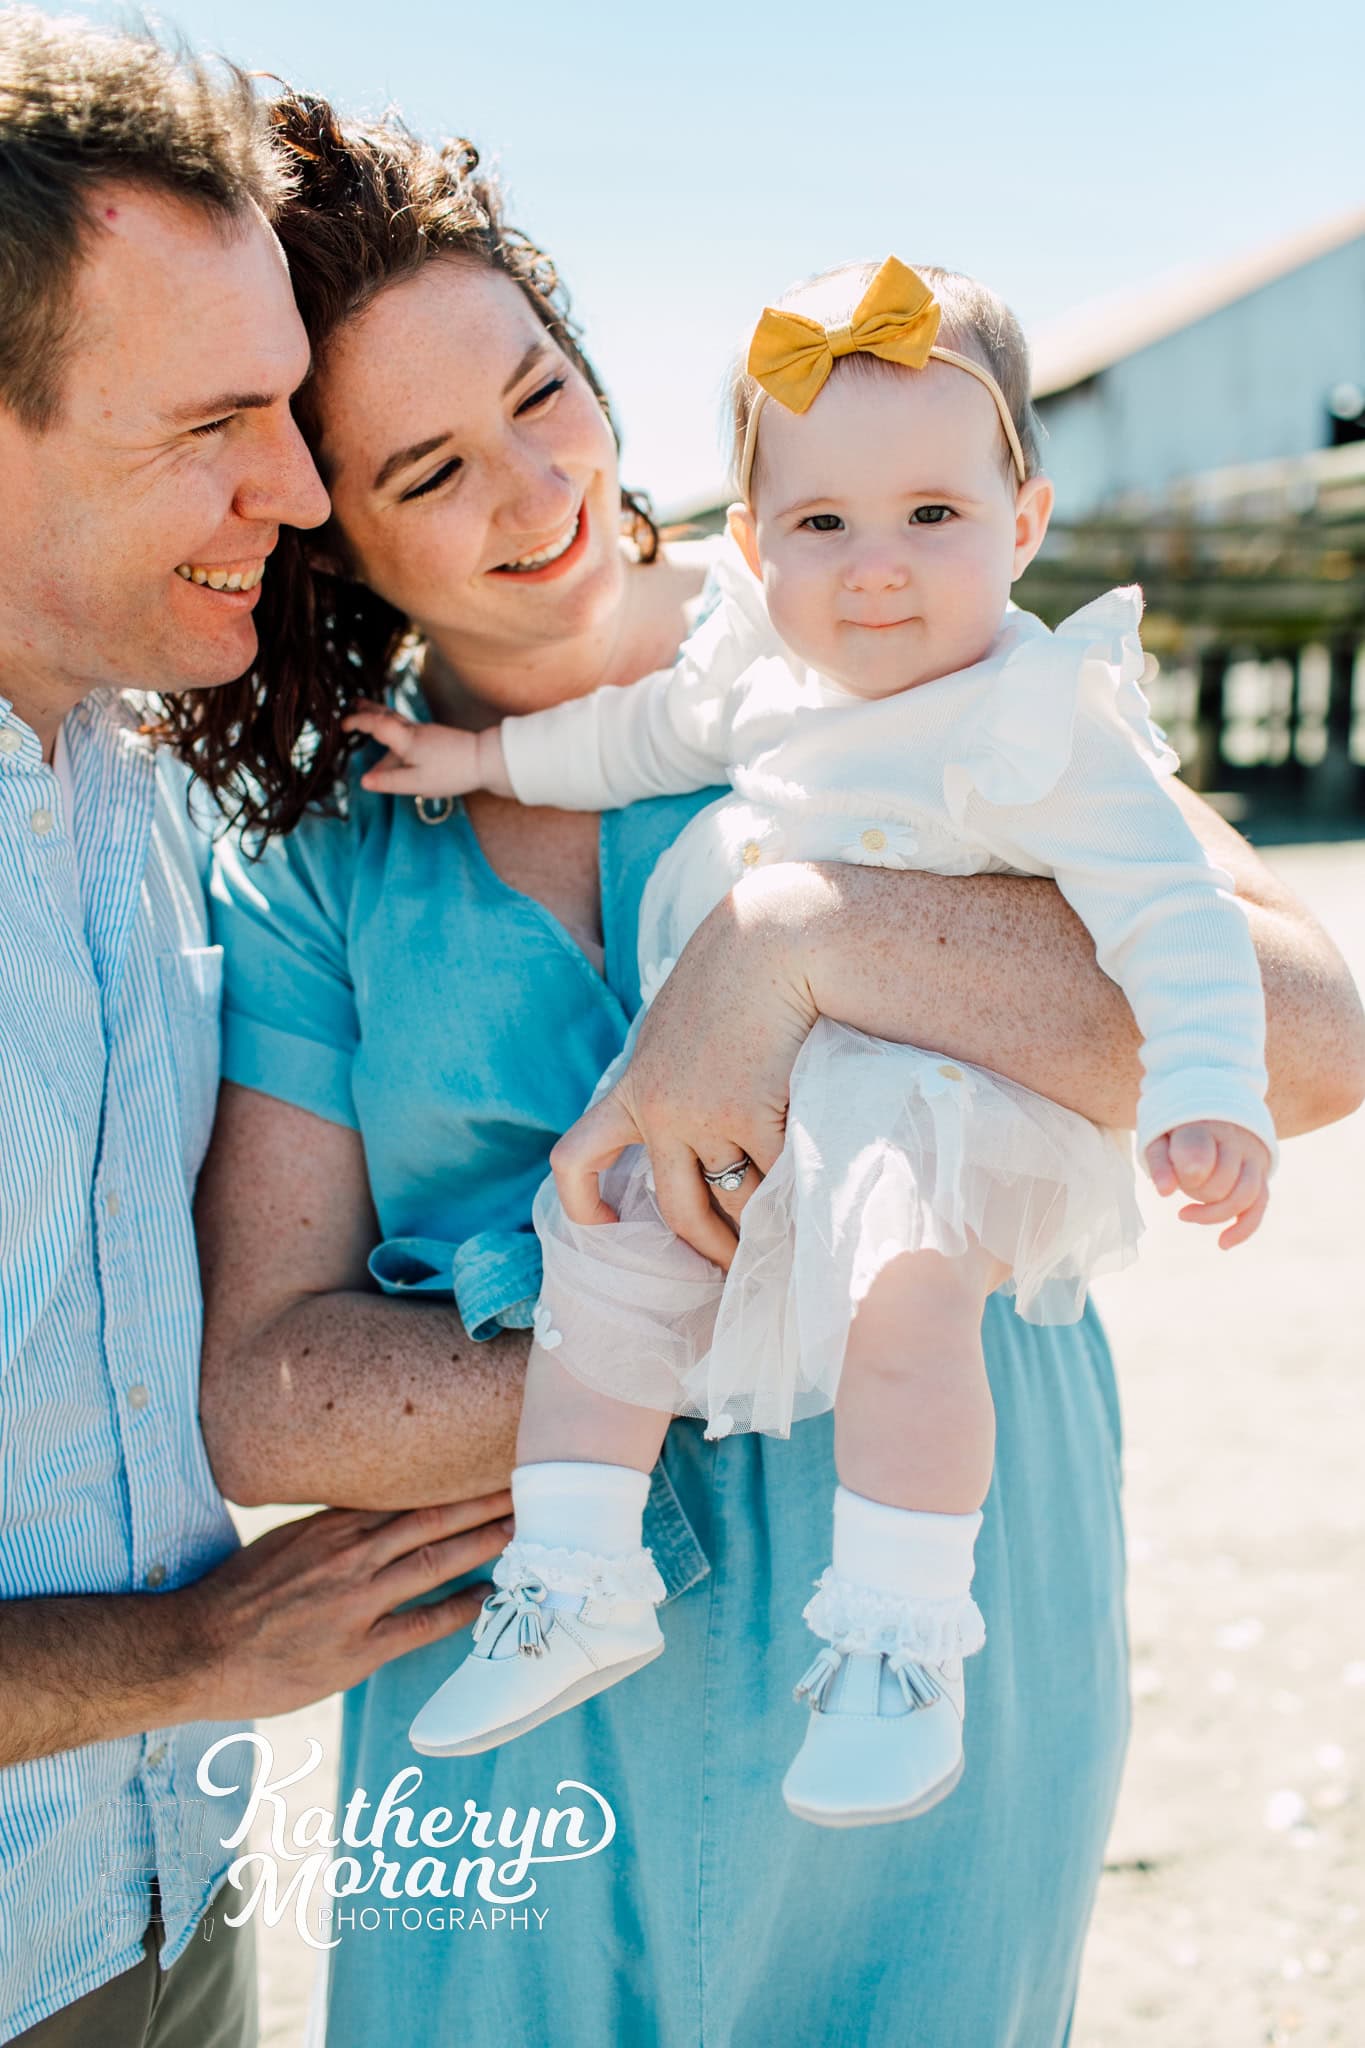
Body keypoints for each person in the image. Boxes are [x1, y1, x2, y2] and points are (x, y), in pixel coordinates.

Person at [194, 91, 1365, 2047]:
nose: (536, 489)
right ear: (336, 533)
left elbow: (1310, 1030)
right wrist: (663, 1340)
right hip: (517, 1676)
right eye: (427, 467)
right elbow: (264, 1396)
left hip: (933, 1626)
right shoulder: (321, 862)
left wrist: (794, 939)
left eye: (542, 391)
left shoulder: (882, 624)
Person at [343, 252, 1276, 1829]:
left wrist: (1206, 1087)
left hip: (923, 1108)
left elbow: (1170, 912)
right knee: (604, 1241)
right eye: (821, 526)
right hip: (726, 1089)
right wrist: (482, 751)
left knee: (903, 1306)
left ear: (1024, 527)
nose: (877, 571)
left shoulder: (1037, 717)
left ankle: (898, 1645)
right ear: (752, 545)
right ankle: (575, 1574)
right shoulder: (758, 670)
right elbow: (629, 737)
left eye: (933, 517)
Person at [0, 19, 514, 2044]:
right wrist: (187, 1648)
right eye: (216, 420)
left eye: (295, 410)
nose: (298, 493)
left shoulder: (152, 787)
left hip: (175, 1897)